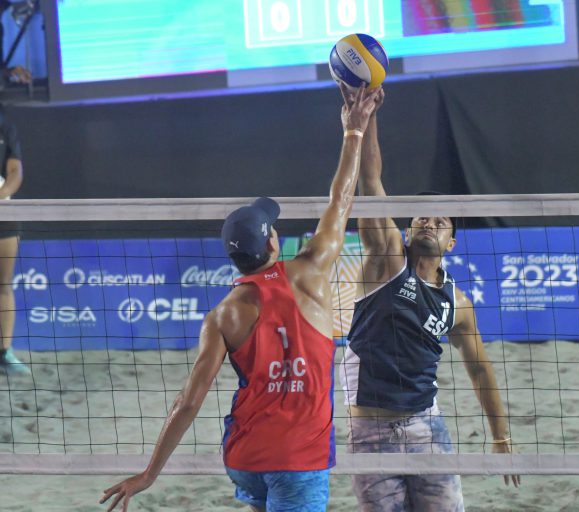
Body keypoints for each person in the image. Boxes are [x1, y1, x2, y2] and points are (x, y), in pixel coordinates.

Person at [99, 85, 380, 512]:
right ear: (272, 243)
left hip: (245, 452)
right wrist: (353, 131)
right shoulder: (310, 271)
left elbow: (188, 402)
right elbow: (341, 201)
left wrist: (149, 474)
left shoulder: (221, 316)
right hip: (297, 458)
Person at [339, 87, 521, 511]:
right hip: (370, 435)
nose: (429, 221)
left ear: (452, 243)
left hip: (428, 430)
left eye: (441, 221)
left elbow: (480, 370)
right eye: (421, 217)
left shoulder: (457, 302)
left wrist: (501, 437)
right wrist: (366, 118)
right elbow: (370, 181)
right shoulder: (386, 261)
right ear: (407, 230)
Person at [0, 104, 28, 375]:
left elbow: (15, 172)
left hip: (3, 212)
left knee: (3, 284)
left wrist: (0, 197)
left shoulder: (5, 125)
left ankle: (4, 353)